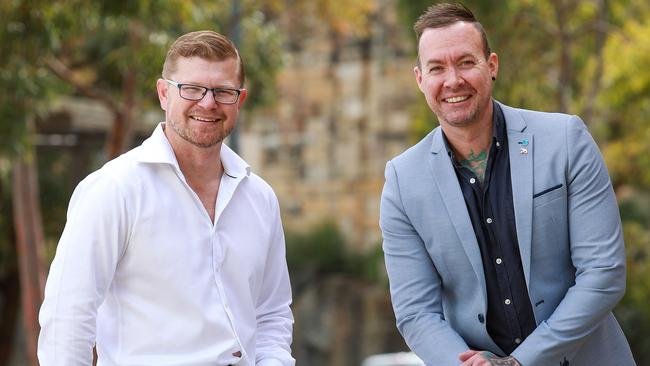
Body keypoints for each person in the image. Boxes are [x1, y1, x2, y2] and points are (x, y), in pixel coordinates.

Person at [379, 3, 635, 366]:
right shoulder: (403, 182)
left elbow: (603, 273)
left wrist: (520, 362)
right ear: (420, 79)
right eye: (437, 68)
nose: (453, 80)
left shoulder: (566, 140)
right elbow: (416, 312)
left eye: (466, 62)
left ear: (492, 65)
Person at [38, 30, 295, 366]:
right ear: (163, 93)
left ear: (240, 100)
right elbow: (67, 318)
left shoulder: (260, 198)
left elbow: (271, 313)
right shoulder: (114, 189)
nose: (208, 102)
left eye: (223, 91)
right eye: (191, 88)